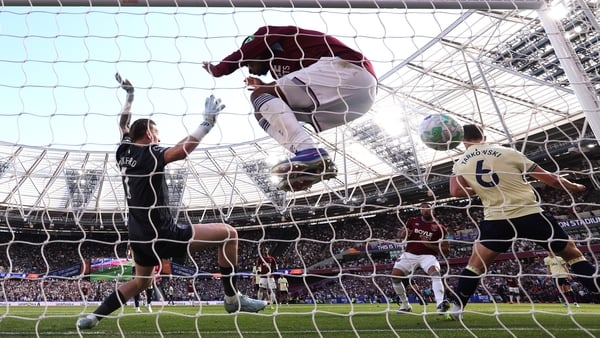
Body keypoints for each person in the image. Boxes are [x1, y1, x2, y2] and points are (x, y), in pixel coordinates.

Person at [76, 74, 266, 330]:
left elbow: (123, 125)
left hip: (138, 236)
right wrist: (206, 124)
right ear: (148, 134)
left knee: (141, 283)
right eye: (157, 132)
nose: (159, 137)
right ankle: (232, 298)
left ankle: (93, 317)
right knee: (229, 234)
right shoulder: (150, 152)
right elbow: (180, 151)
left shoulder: (123, 152)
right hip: (163, 233)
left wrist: (130, 96)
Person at [447, 124, 598, 321]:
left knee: (476, 264)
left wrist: (477, 186)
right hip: (530, 213)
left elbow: (456, 192)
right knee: (572, 254)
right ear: (483, 136)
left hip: (496, 219)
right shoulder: (508, 152)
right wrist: (575, 186)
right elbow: (550, 180)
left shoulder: (460, 164)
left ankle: (457, 308)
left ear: (462, 141)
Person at [203, 25, 378, 191]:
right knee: (261, 112)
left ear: (254, 51)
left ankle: (309, 151)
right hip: (357, 101)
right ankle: (310, 163)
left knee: (259, 96)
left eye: (249, 64)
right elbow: (290, 92)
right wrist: (266, 86)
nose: (250, 70)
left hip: (351, 69)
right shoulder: (277, 69)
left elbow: (248, 50)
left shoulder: (272, 36)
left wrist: (220, 69)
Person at [391, 202, 450, 314]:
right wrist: (403, 233)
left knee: (435, 273)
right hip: (409, 254)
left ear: (433, 210)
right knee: (395, 276)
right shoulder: (412, 221)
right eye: (422, 208)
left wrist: (429, 245)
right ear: (420, 211)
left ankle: (440, 304)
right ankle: (405, 305)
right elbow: (400, 235)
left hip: (428, 256)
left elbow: (447, 250)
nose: (425, 210)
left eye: (428, 208)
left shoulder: (441, 228)